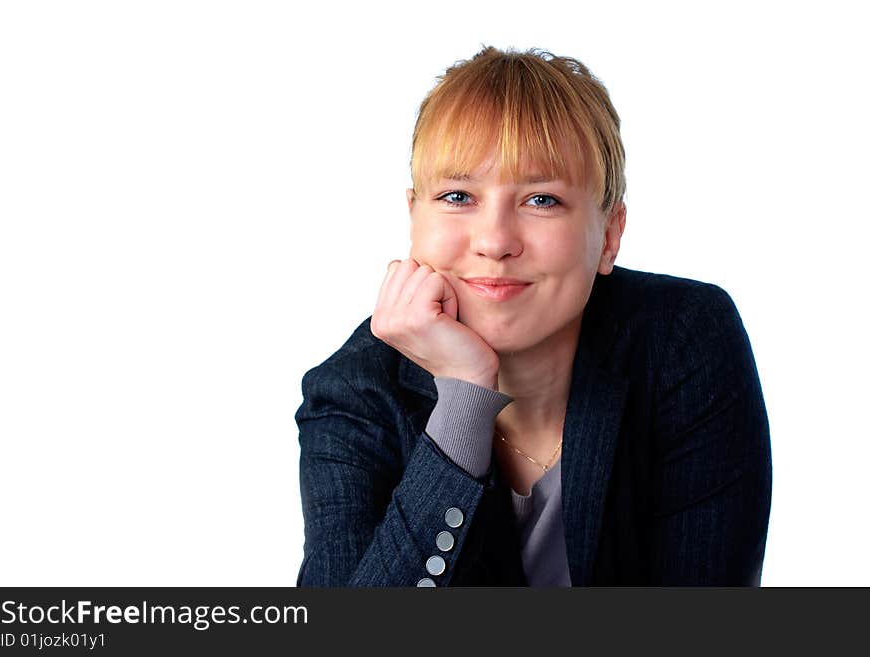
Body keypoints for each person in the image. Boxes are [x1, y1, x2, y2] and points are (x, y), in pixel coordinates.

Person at [294, 46, 772, 586]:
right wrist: (464, 404)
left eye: (541, 200)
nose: (495, 241)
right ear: (413, 217)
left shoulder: (683, 341)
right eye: (457, 195)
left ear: (609, 235)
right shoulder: (353, 394)